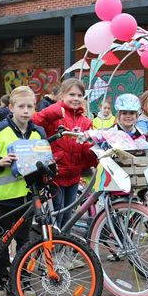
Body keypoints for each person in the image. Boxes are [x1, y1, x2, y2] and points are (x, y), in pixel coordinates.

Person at [0, 85, 45, 296]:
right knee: (2, 241)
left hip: (27, 197)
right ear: (11, 107)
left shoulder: (38, 132)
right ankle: (2, 280)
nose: (26, 111)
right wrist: (0, 161)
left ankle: (24, 280)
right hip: (3, 198)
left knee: (25, 242)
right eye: (21, 106)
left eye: (30, 106)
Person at [32, 78, 97, 229]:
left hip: (74, 176)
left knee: (68, 216)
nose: (76, 99)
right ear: (62, 96)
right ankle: (51, 246)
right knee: (57, 216)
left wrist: (93, 149)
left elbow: (86, 152)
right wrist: (52, 112)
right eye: (71, 94)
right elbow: (34, 122)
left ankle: (62, 246)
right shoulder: (55, 115)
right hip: (55, 175)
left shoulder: (85, 122)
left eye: (79, 95)